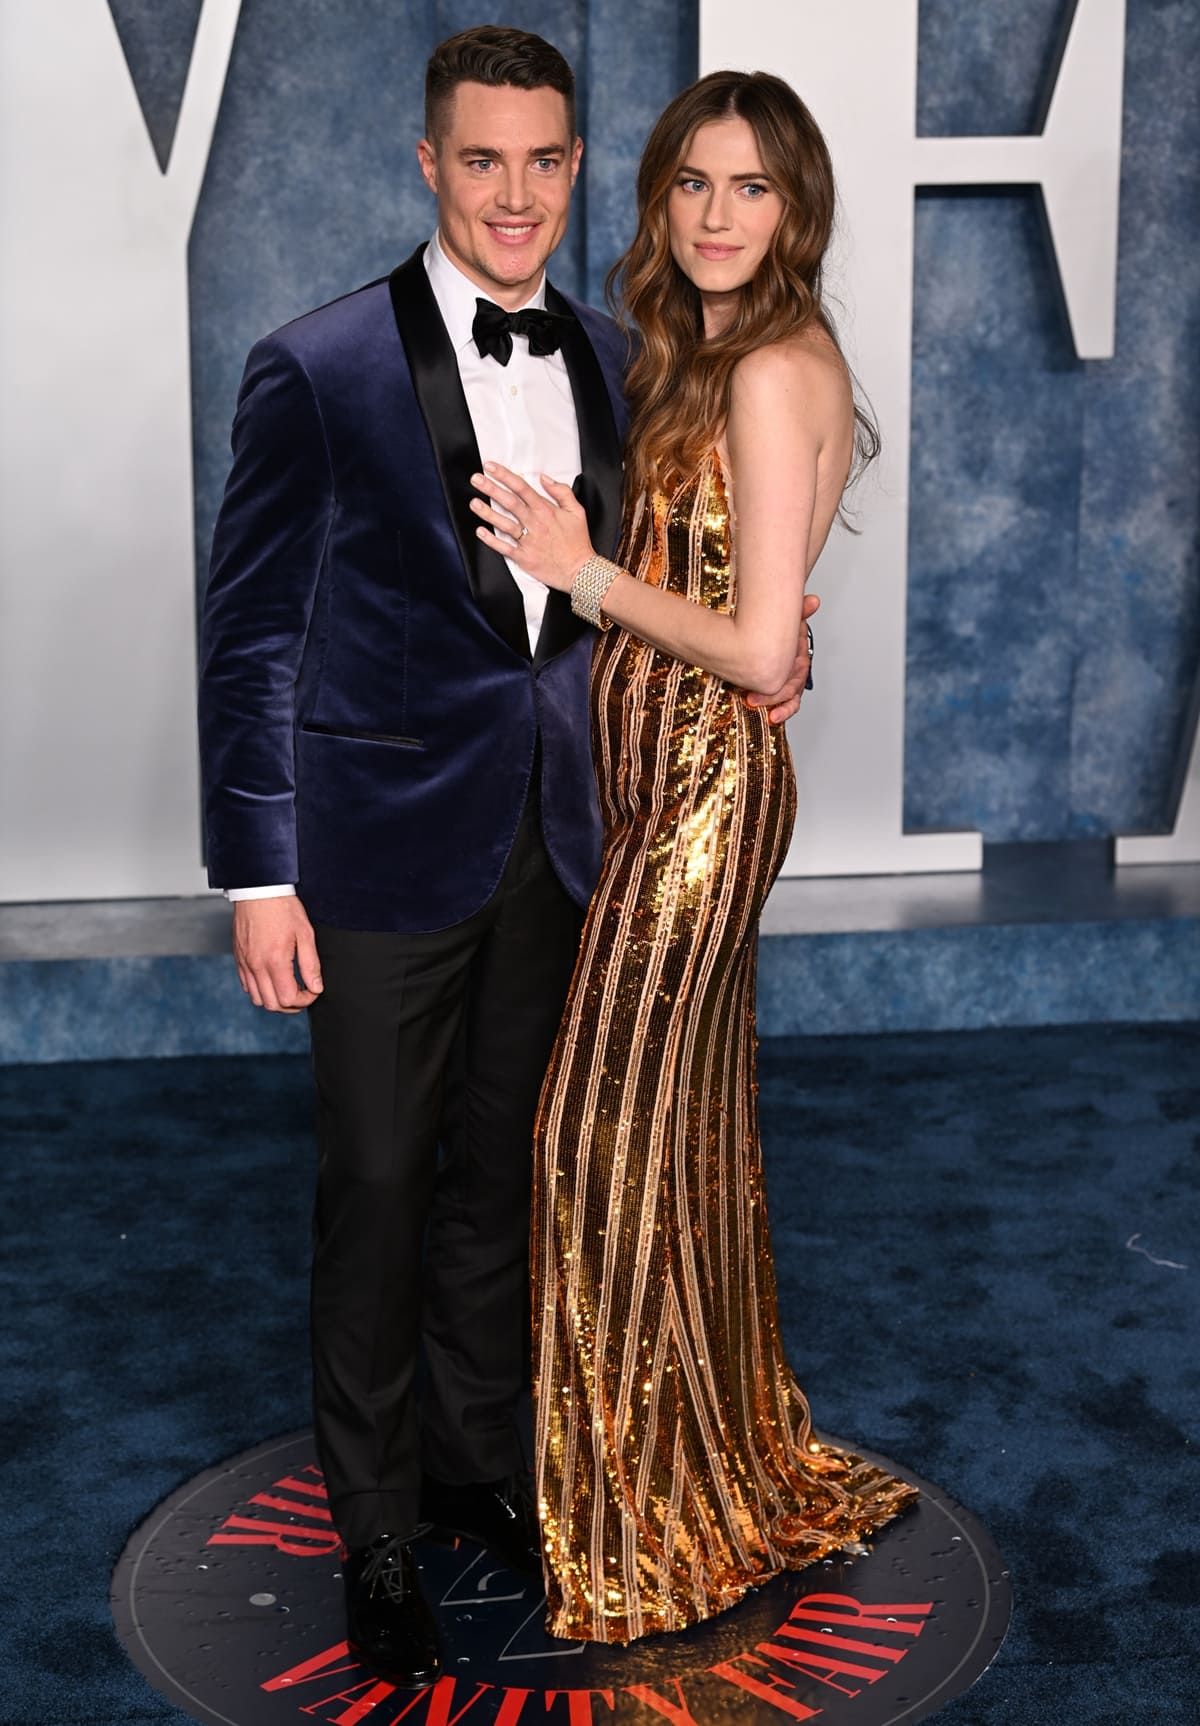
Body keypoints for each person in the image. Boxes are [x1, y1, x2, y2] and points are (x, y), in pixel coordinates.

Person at [197, 27, 813, 1688]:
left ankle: (477, 1463)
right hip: (377, 852)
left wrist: (770, 633)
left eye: (548, 160)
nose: (520, 194)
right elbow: (250, 632)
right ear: (427, 164)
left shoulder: (624, 352)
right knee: (383, 1189)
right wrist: (259, 872)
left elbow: (671, 574)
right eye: (484, 160)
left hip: (570, 836)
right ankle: (380, 1527)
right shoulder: (315, 365)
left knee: (502, 1183)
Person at [469, 69, 918, 1644]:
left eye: (753, 189)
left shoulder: (774, 367)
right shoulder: (706, 350)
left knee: (594, 1142)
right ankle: (694, 1468)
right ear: (660, 199)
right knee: (674, 1140)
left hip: (708, 795)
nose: (719, 216)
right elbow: (758, 606)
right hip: (666, 778)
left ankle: (644, 1519)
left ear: (796, 209)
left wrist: (581, 569)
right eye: (692, 186)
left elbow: (739, 638)